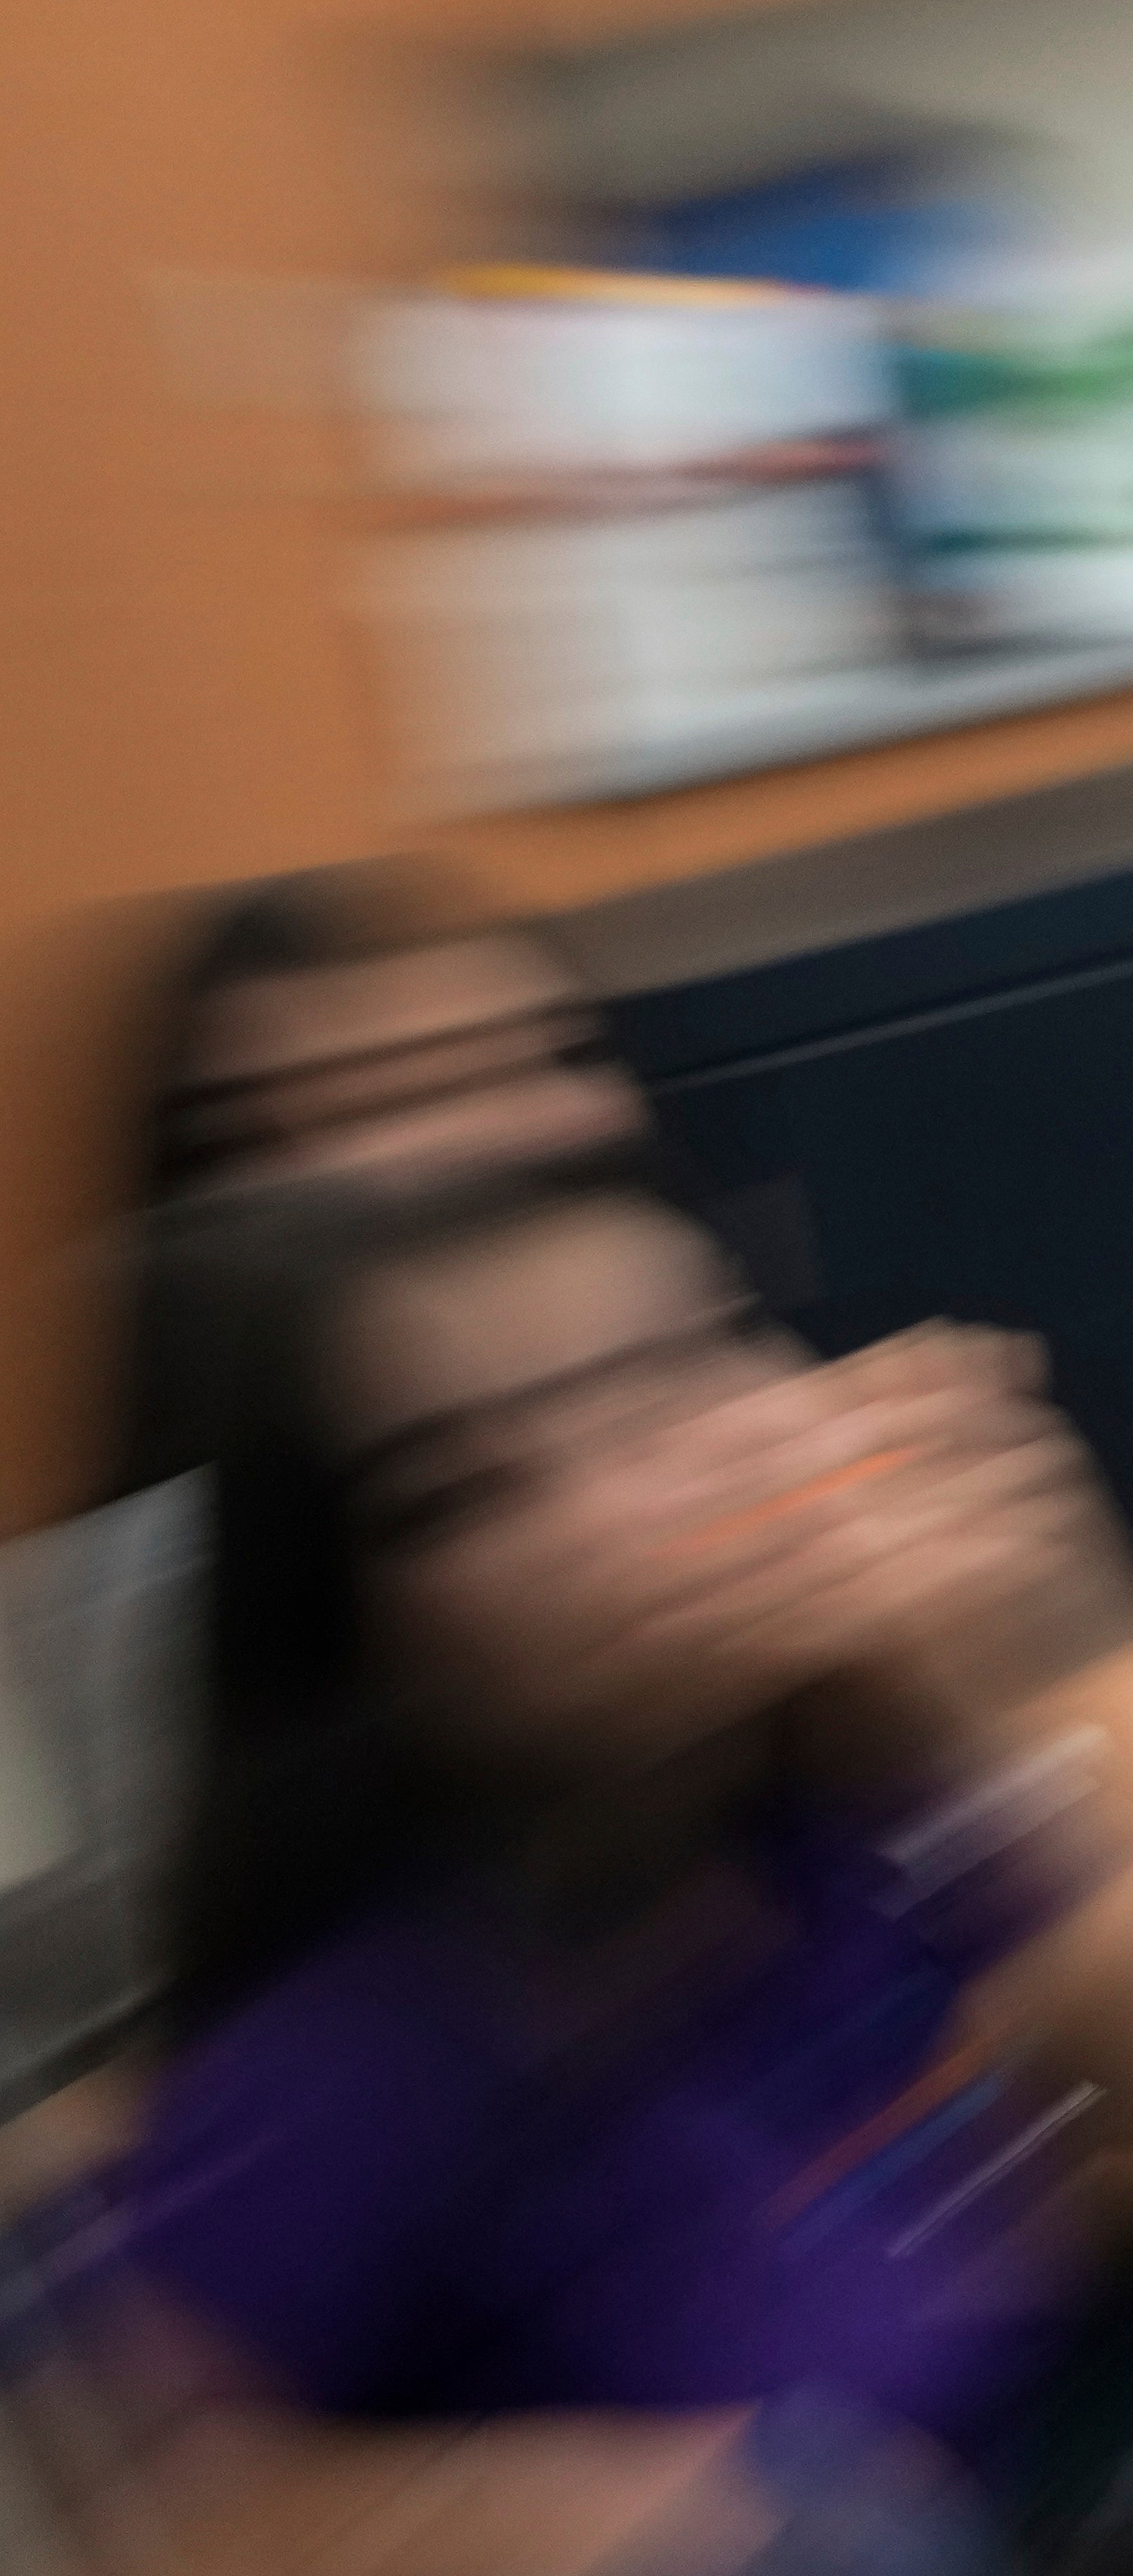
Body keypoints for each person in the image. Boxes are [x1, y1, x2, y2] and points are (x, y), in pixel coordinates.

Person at [41, 1155, 1133, 2576]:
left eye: (672, 1372)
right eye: (472, 1484)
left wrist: (964, 1698)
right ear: (365, 1626)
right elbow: (172, 2533)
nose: (632, 1494)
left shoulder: (833, 1830)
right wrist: (628, 2518)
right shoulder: (360, 2047)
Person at [4, 859, 665, 2086]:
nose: (554, 1122)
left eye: (554, 1054)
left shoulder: (729, 1435)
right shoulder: (70, 1661)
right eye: (439, 1089)